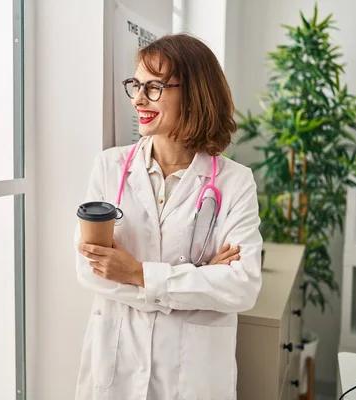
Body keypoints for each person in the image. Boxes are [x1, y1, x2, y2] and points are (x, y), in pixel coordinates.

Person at [74, 33, 263, 400]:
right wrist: (200, 277)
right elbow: (89, 269)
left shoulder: (235, 182)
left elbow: (241, 286)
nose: (138, 99)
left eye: (155, 87)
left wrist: (137, 273)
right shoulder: (109, 167)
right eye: (136, 85)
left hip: (192, 378)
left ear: (194, 93)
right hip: (118, 368)